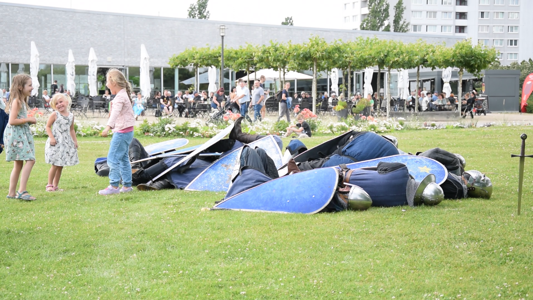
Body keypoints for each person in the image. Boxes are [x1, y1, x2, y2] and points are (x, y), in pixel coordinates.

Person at [99, 69, 136, 195]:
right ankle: (127, 186)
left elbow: (114, 114)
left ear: (113, 82)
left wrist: (107, 127)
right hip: (127, 132)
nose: (106, 84)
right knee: (123, 159)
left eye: (107, 80)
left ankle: (114, 186)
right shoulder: (122, 95)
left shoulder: (120, 97)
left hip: (121, 133)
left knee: (112, 158)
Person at [4, 74, 37, 201]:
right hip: (16, 134)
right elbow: (12, 121)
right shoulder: (17, 101)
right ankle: (22, 191)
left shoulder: (21, 101)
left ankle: (11, 193)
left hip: (18, 133)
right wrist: (28, 119)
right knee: (30, 160)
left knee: (18, 164)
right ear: (20, 87)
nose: (32, 87)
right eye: (29, 85)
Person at [44, 93, 79, 192]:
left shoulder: (71, 116)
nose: (59, 104)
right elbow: (47, 126)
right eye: (57, 103)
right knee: (55, 164)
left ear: (67, 102)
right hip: (55, 142)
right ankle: (49, 184)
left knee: (60, 165)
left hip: (65, 143)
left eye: (61, 102)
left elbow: (71, 130)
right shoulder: (55, 114)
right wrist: (51, 138)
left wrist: (74, 141)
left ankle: (55, 185)